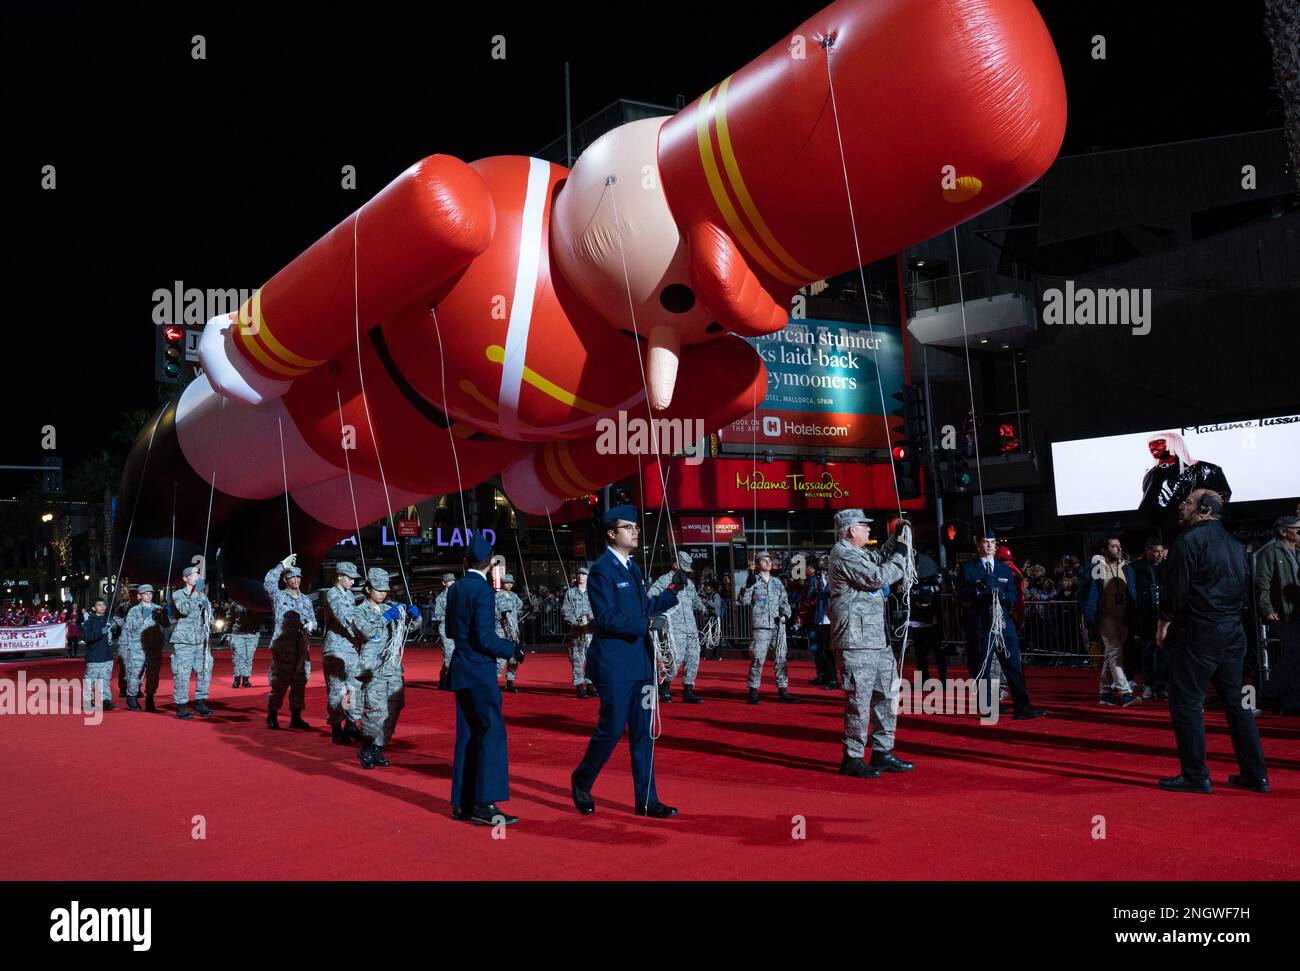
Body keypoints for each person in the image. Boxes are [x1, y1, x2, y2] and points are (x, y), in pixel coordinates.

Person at [570, 504, 684, 818]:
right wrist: (647, 624)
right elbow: (607, 617)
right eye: (628, 527)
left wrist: (672, 591)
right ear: (611, 533)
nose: (635, 531)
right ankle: (582, 778)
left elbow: (643, 607)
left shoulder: (632, 568)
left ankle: (647, 801)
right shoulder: (601, 570)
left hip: (640, 663)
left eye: (635, 526)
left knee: (644, 734)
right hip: (615, 664)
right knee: (611, 729)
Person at [1157, 489, 1268, 793]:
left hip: (1197, 634)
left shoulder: (1188, 542)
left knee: (1187, 704)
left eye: (1189, 503)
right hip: (1232, 634)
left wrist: (1163, 623)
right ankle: (1256, 775)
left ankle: (1195, 775)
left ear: (1204, 510)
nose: (1182, 506)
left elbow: (1175, 590)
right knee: (1237, 707)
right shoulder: (1235, 545)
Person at [826, 509, 915, 778]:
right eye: (864, 526)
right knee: (860, 700)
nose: (868, 530)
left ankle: (882, 750)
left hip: (875, 639)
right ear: (851, 530)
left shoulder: (857, 553)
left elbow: (876, 559)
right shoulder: (842, 553)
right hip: (856, 640)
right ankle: (853, 756)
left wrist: (894, 539)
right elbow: (876, 576)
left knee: (887, 695)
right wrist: (901, 555)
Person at [446, 534, 523, 825]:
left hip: (461, 668)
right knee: (491, 733)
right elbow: (486, 638)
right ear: (492, 563)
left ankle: (462, 803)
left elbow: (452, 631)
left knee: (466, 736)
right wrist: (512, 649)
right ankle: (485, 802)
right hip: (479, 671)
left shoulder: (454, 590)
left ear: (466, 560)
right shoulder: (484, 591)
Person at [958, 531, 1046, 720]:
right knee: (983, 667)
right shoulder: (968, 568)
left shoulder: (1004, 569)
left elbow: (1014, 595)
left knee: (1014, 666)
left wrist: (1003, 596)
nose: (989, 546)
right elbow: (962, 595)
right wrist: (980, 589)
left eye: (992, 542)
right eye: (985, 542)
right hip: (982, 624)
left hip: (1004, 624)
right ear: (978, 544)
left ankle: (1023, 707)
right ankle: (989, 707)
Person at [354, 567, 418, 768]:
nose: (383, 592)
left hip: (393, 668)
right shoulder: (359, 611)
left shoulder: (389, 607)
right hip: (373, 669)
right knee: (376, 711)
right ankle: (366, 745)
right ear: (367, 589)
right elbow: (368, 632)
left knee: (394, 708)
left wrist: (415, 617)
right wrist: (386, 618)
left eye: (385, 589)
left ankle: (378, 748)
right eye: (378, 589)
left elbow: (410, 629)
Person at [1081, 537, 1139, 707]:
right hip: (1105, 617)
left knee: (1110, 655)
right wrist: (1090, 612)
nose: (1118, 549)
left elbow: (1131, 592)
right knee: (1115, 652)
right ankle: (1126, 692)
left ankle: (1105, 693)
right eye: (1114, 546)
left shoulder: (1127, 568)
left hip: (1123, 616)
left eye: (1119, 546)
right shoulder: (1095, 569)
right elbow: (1082, 593)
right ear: (1104, 550)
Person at [1255, 514, 1300, 714]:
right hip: (1281, 612)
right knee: (1292, 653)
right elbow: (1262, 582)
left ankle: (1290, 702)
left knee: (1296, 656)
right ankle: (1269, 694)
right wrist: (1267, 608)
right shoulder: (1269, 551)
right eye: (1298, 529)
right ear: (1284, 532)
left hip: (1297, 610)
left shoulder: (1298, 552)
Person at [264, 554, 316, 730]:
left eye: (298, 577)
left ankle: (296, 716)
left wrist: (311, 625)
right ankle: (272, 715)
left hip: (301, 649)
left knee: (299, 683)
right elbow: (268, 584)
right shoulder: (279, 596)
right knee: (279, 683)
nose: (296, 580)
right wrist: (281, 565)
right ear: (285, 580)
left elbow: (313, 620)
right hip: (283, 648)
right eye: (292, 577)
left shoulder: (306, 600)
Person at [647, 550, 705, 704]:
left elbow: (695, 601)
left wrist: (705, 609)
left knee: (693, 659)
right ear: (675, 565)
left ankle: (688, 690)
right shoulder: (664, 580)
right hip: (674, 628)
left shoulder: (689, 583)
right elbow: (651, 595)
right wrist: (671, 587)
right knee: (674, 660)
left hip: (691, 627)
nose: (686, 573)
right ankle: (665, 686)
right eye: (683, 569)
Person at [739, 552, 796, 704]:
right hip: (761, 626)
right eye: (764, 560)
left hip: (778, 626)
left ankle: (783, 690)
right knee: (758, 659)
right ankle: (753, 691)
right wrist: (747, 586)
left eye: (770, 560)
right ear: (757, 564)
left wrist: (785, 616)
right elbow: (743, 601)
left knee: (781, 659)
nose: (768, 562)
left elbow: (785, 603)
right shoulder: (753, 581)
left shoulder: (777, 583)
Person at [1139, 431, 1232, 518]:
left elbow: (1220, 498)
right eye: (1150, 444)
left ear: (1174, 444)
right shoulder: (1151, 473)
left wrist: (1197, 517)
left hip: (1191, 525)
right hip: (1157, 526)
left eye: (1159, 442)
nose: (1152, 447)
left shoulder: (1206, 469)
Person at [322, 561, 365, 745]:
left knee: (354, 688)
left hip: (351, 648)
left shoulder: (348, 594)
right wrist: (365, 626)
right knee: (337, 691)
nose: (353, 582)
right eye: (350, 578)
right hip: (336, 649)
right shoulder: (333, 594)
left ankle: (350, 725)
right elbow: (345, 618)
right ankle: (336, 728)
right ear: (339, 576)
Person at [171, 565, 214, 719]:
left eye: (198, 573)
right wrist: (197, 593)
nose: (197, 576)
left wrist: (211, 617)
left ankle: (200, 701)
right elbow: (184, 609)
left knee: (204, 670)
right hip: (184, 640)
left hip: (200, 640)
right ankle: (181, 705)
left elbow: (209, 615)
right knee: (182, 673)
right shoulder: (178, 594)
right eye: (193, 574)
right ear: (185, 578)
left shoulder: (201, 595)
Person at [122, 584, 169, 712]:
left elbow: (166, 625)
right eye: (146, 594)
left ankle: (150, 697)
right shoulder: (134, 610)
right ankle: (131, 696)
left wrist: (164, 615)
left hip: (155, 646)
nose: (149, 595)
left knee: (153, 673)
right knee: (136, 672)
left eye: (150, 593)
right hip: (138, 646)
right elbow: (130, 627)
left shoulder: (158, 608)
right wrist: (142, 618)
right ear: (140, 596)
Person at [1133, 538, 1167, 700]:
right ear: (1147, 551)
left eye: (1160, 551)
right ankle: (1148, 685)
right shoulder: (1136, 567)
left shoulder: (1167, 566)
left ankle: (1161, 686)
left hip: (1164, 615)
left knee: (1164, 653)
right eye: (1155, 551)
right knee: (1148, 652)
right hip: (1146, 617)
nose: (1159, 554)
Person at [800, 562, 838, 689]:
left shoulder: (836, 578)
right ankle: (828, 677)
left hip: (831, 619)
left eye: (826, 559)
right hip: (820, 619)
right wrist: (816, 587)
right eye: (822, 560)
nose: (823, 562)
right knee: (823, 650)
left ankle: (834, 679)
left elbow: (831, 594)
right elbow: (809, 596)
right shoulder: (816, 580)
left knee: (830, 651)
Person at [561, 565, 596, 699]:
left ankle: (590, 684)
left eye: (583, 574)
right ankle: (579, 685)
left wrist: (589, 619)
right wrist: (575, 621)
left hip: (590, 631)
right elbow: (565, 610)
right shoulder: (571, 593)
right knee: (576, 659)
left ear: (588, 576)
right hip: (576, 631)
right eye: (579, 574)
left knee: (591, 658)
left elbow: (597, 609)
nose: (581, 576)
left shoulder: (593, 592)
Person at [80, 598, 116, 713]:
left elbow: (115, 635)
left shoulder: (108, 619)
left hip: (107, 656)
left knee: (105, 680)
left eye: (103, 605)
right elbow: (86, 637)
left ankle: (105, 700)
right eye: (99, 605)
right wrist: (101, 632)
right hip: (94, 657)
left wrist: (116, 627)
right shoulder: (89, 622)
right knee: (90, 681)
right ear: (94, 608)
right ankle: (87, 701)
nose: (102, 607)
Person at [494, 574, 524, 693]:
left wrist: (529, 608)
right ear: (502, 583)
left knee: (513, 657)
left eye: (511, 583)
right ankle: (493, 682)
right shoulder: (496, 596)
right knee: (500, 658)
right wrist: (501, 615)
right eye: (507, 582)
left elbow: (520, 608)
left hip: (513, 631)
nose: (509, 585)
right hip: (500, 630)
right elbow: (492, 612)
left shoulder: (514, 596)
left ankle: (510, 681)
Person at [226, 602, 261, 688]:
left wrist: (257, 626)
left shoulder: (257, 602)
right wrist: (227, 632)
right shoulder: (235, 603)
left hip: (252, 634)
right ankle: (237, 679)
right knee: (238, 657)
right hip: (237, 633)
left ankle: (246, 679)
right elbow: (230, 618)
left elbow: (261, 617)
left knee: (249, 658)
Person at [433, 572, 457, 690]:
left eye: (453, 580)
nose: (452, 582)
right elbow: (437, 615)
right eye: (449, 581)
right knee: (449, 653)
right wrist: (450, 616)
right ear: (444, 583)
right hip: (445, 628)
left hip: (458, 629)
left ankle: (443, 677)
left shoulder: (460, 595)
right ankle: (449, 680)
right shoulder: (441, 598)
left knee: (457, 654)